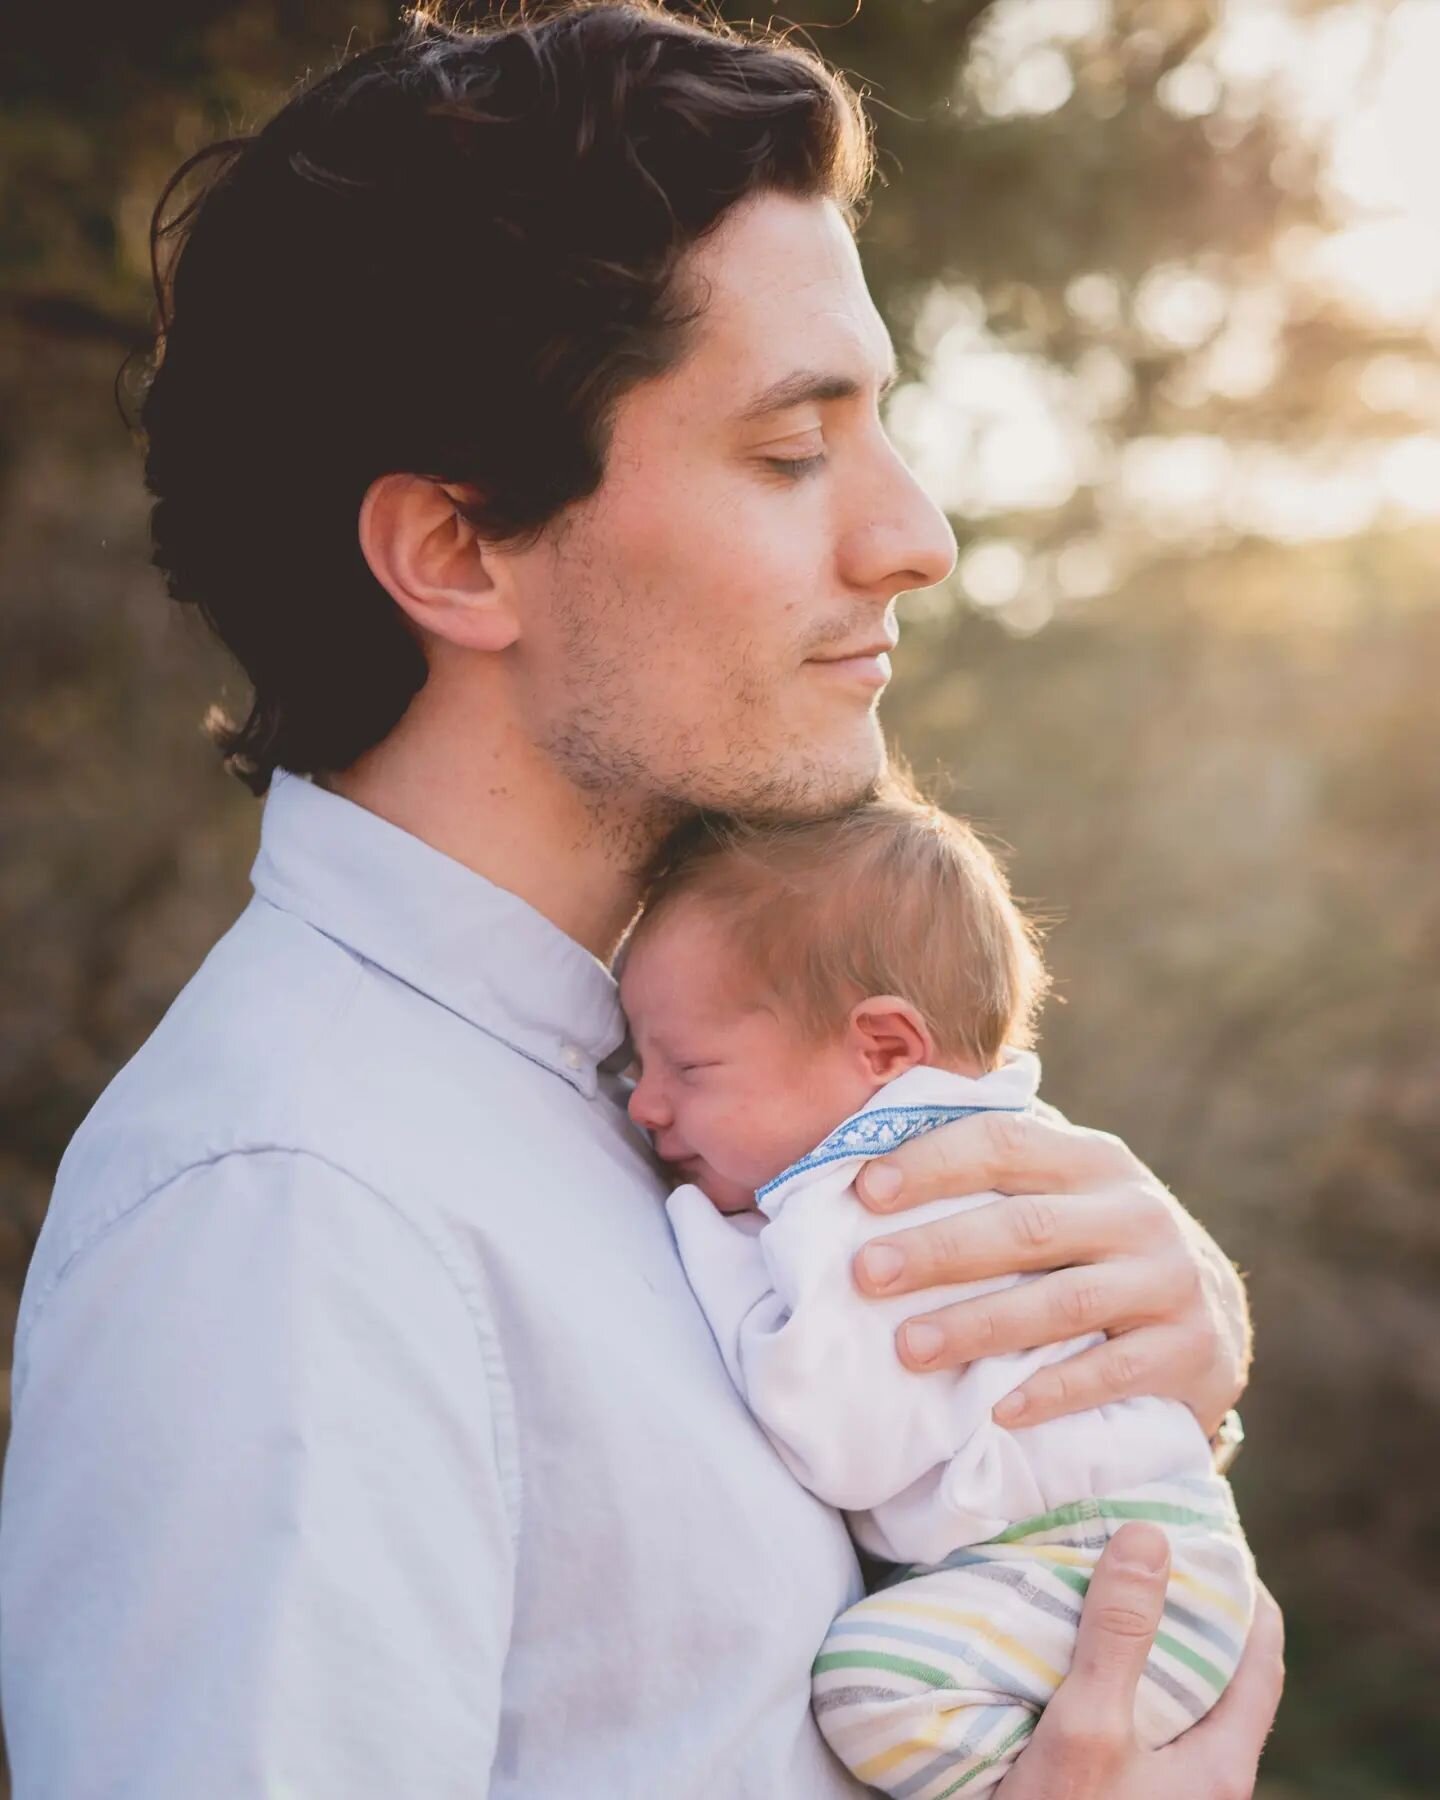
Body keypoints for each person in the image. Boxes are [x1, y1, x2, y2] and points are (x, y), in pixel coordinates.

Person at [0, 6, 1280, 1797]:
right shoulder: (293, 1216)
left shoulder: (706, 1079)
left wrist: (1145, 1373)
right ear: (458, 553)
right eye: (789, 452)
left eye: (881, 426)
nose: (916, 535)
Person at [619, 781, 1258, 1797]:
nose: (646, 1105)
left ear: (883, 1048)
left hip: (1089, 1569)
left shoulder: (876, 1205)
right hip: (1136, 1563)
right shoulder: (993, 1146)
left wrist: (711, 1239)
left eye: (690, 1066)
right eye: (633, 1060)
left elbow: (842, 1444)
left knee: (871, 1692)